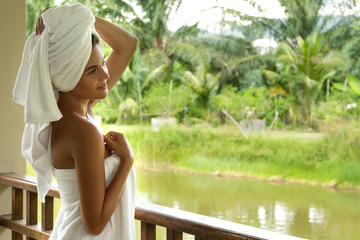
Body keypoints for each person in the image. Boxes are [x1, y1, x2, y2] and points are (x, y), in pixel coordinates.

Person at [13, 3, 138, 239]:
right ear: (67, 77)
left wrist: (74, 21)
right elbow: (95, 224)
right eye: (93, 70)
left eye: (102, 63)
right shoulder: (83, 131)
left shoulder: (71, 111)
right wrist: (127, 160)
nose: (105, 74)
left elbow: (128, 45)